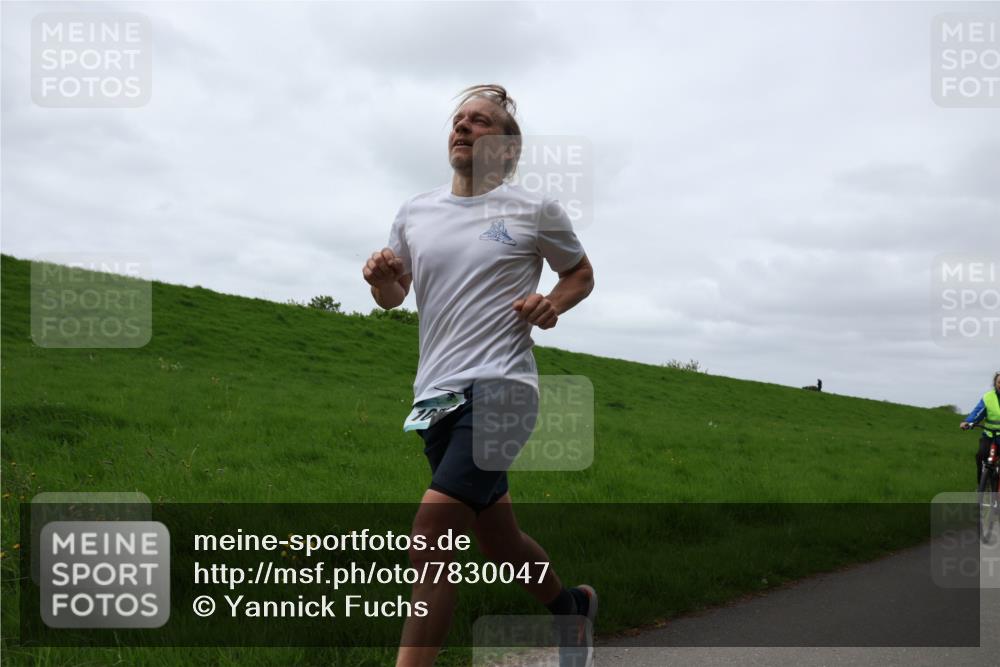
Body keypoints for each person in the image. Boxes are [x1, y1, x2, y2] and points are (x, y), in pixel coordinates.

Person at [362, 84, 597, 667]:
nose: (464, 127)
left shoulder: (533, 209)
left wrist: (552, 303)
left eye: (482, 121)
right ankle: (571, 610)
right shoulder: (415, 211)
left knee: (431, 537)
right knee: (498, 542)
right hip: (435, 398)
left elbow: (581, 274)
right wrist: (379, 278)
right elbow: (395, 296)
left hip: (503, 389)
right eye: (459, 120)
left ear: (510, 151)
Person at [960, 371, 1000, 487]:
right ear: (995, 383)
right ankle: (981, 484)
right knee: (980, 456)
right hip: (989, 435)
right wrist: (968, 422)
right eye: (999, 382)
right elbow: (977, 412)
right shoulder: (988, 397)